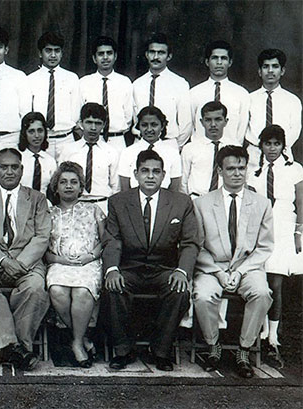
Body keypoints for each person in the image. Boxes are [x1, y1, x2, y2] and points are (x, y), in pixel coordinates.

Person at [103, 149, 199, 371]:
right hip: (130, 266)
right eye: (145, 171)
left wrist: (182, 271)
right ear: (135, 173)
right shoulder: (118, 202)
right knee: (114, 287)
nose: (150, 176)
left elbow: (190, 242)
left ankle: (161, 351)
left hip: (164, 268)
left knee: (179, 290)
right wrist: (112, 269)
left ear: (164, 175)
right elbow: (113, 240)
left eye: (156, 172)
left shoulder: (180, 202)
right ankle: (123, 350)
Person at [193, 145, 273, 378]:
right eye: (231, 168)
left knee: (262, 293)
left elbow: (265, 246)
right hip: (213, 267)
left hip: (247, 268)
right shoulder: (202, 204)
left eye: (241, 168)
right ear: (220, 171)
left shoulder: (261, 203)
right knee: (202, 295)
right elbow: (197, 246)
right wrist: (218, 273)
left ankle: (244, 349)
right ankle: (213, 344)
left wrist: (240, 272)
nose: (237, 173)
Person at [0, 148, 51, 371]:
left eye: (14, 167)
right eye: (3, 167)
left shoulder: (37, 199)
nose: (9, 171)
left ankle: (3, 346)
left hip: (27, 261)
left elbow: (43, 235)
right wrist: (2, 261)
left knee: (35, 288)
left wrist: (21, 263)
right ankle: (17, 350)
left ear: (22, 170)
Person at [250, 125, 303, 367]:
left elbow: (301, 203)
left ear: (284, 146)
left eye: (276, 144)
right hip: (261, 229)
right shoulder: (254, 171)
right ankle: (259, 332)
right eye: (267, 144)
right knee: (260, 281)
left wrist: (299, 231)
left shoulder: (295, 170)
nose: (272, 149)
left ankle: (273, 335)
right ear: (260, 145)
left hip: (284, 228)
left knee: (276, 282)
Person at [45, 161, 105, 367]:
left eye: (74, 182)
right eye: (63, 182)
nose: (68, 186)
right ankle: (83, 339)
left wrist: (90, 256)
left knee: (81, 291)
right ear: (56, 187)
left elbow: (106, 241)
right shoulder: (49, 213)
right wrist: (59, 259)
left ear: (81, 186)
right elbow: (44, 251)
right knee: (57, 291)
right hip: (59, 263)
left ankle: (77, 344)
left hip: (89, 262)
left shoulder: (93, 210)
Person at [27, 31, 81, 159]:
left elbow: (75, 111)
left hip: (66, 139)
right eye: (48, 51)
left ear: (62, 53)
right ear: (40, 53)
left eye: (57, 51)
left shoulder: (72, 78)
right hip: (41, 139)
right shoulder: (30, 79)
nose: (52, 55)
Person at [132, 33, 192, 148]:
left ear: (169, 56)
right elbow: (135, 118)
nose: (156, 57)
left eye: (161, 53)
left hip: (167, 143)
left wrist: (175, 146)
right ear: (146, 55)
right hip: (140, 143)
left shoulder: (180, 84)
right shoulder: (137, 84)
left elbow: (186, 123)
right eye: (152, 52)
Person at [58, 103, 119, 215]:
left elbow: (115, 186)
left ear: (104, 125)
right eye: (89, 122)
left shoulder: (111, 152)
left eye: (98, 123)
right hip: (75, 204)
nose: (93, 128)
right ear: (81, 123)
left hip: (102, 205)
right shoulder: (69, 150)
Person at [78, 36, 133, 152]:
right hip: (92, 138)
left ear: (115, 56)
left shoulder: (125, 82)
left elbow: (128, 117)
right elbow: (79, 114)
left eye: (109, 53)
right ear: (94, 58)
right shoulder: (84, 83)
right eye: (101, 54)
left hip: (117, 139)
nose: (105, 57)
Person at [190, 40, 250, 146]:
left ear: (230, 62)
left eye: (223, 58)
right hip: (201, 150)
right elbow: (190, 124)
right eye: (214, 58)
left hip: (230, 150)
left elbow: (242, 127)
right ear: (207, 62)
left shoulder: (241, 94)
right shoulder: (194, 92)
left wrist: (234, 147)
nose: (219, 62)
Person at [246, 49, 301, 161]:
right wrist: (262, 145)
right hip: (254, 155)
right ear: (260, 71)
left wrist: (277, 147)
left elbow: (295, 130)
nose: (270, 71)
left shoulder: (292, 100)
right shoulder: (248, 99)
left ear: (282, 71)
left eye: (275, 66)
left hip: (282, 155)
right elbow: (244, 128)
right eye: (266, 66)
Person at [118, 106, 181, 192]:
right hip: (134, 202)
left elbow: (174, 187)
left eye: (154, 125)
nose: (149, 129)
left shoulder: (172, 153)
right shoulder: (128, 152)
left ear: (162, 126)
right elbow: (125, 188)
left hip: (165, 203)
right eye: (144, 125)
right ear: (139, 127)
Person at [180, 101, 231, 197]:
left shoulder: (234, 147)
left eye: (218, 119)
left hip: (224, 200)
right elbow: (183, 181)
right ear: (202, 122)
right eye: (208, 120)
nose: (213, 124)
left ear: (226, 121)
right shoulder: (190, 148)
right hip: (197, 199)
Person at [17, 112, 56, 193]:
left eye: (40, 130)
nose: (37, 135)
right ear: (24, 133)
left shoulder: (50, 160)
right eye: (31, 131)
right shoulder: (18, 158)